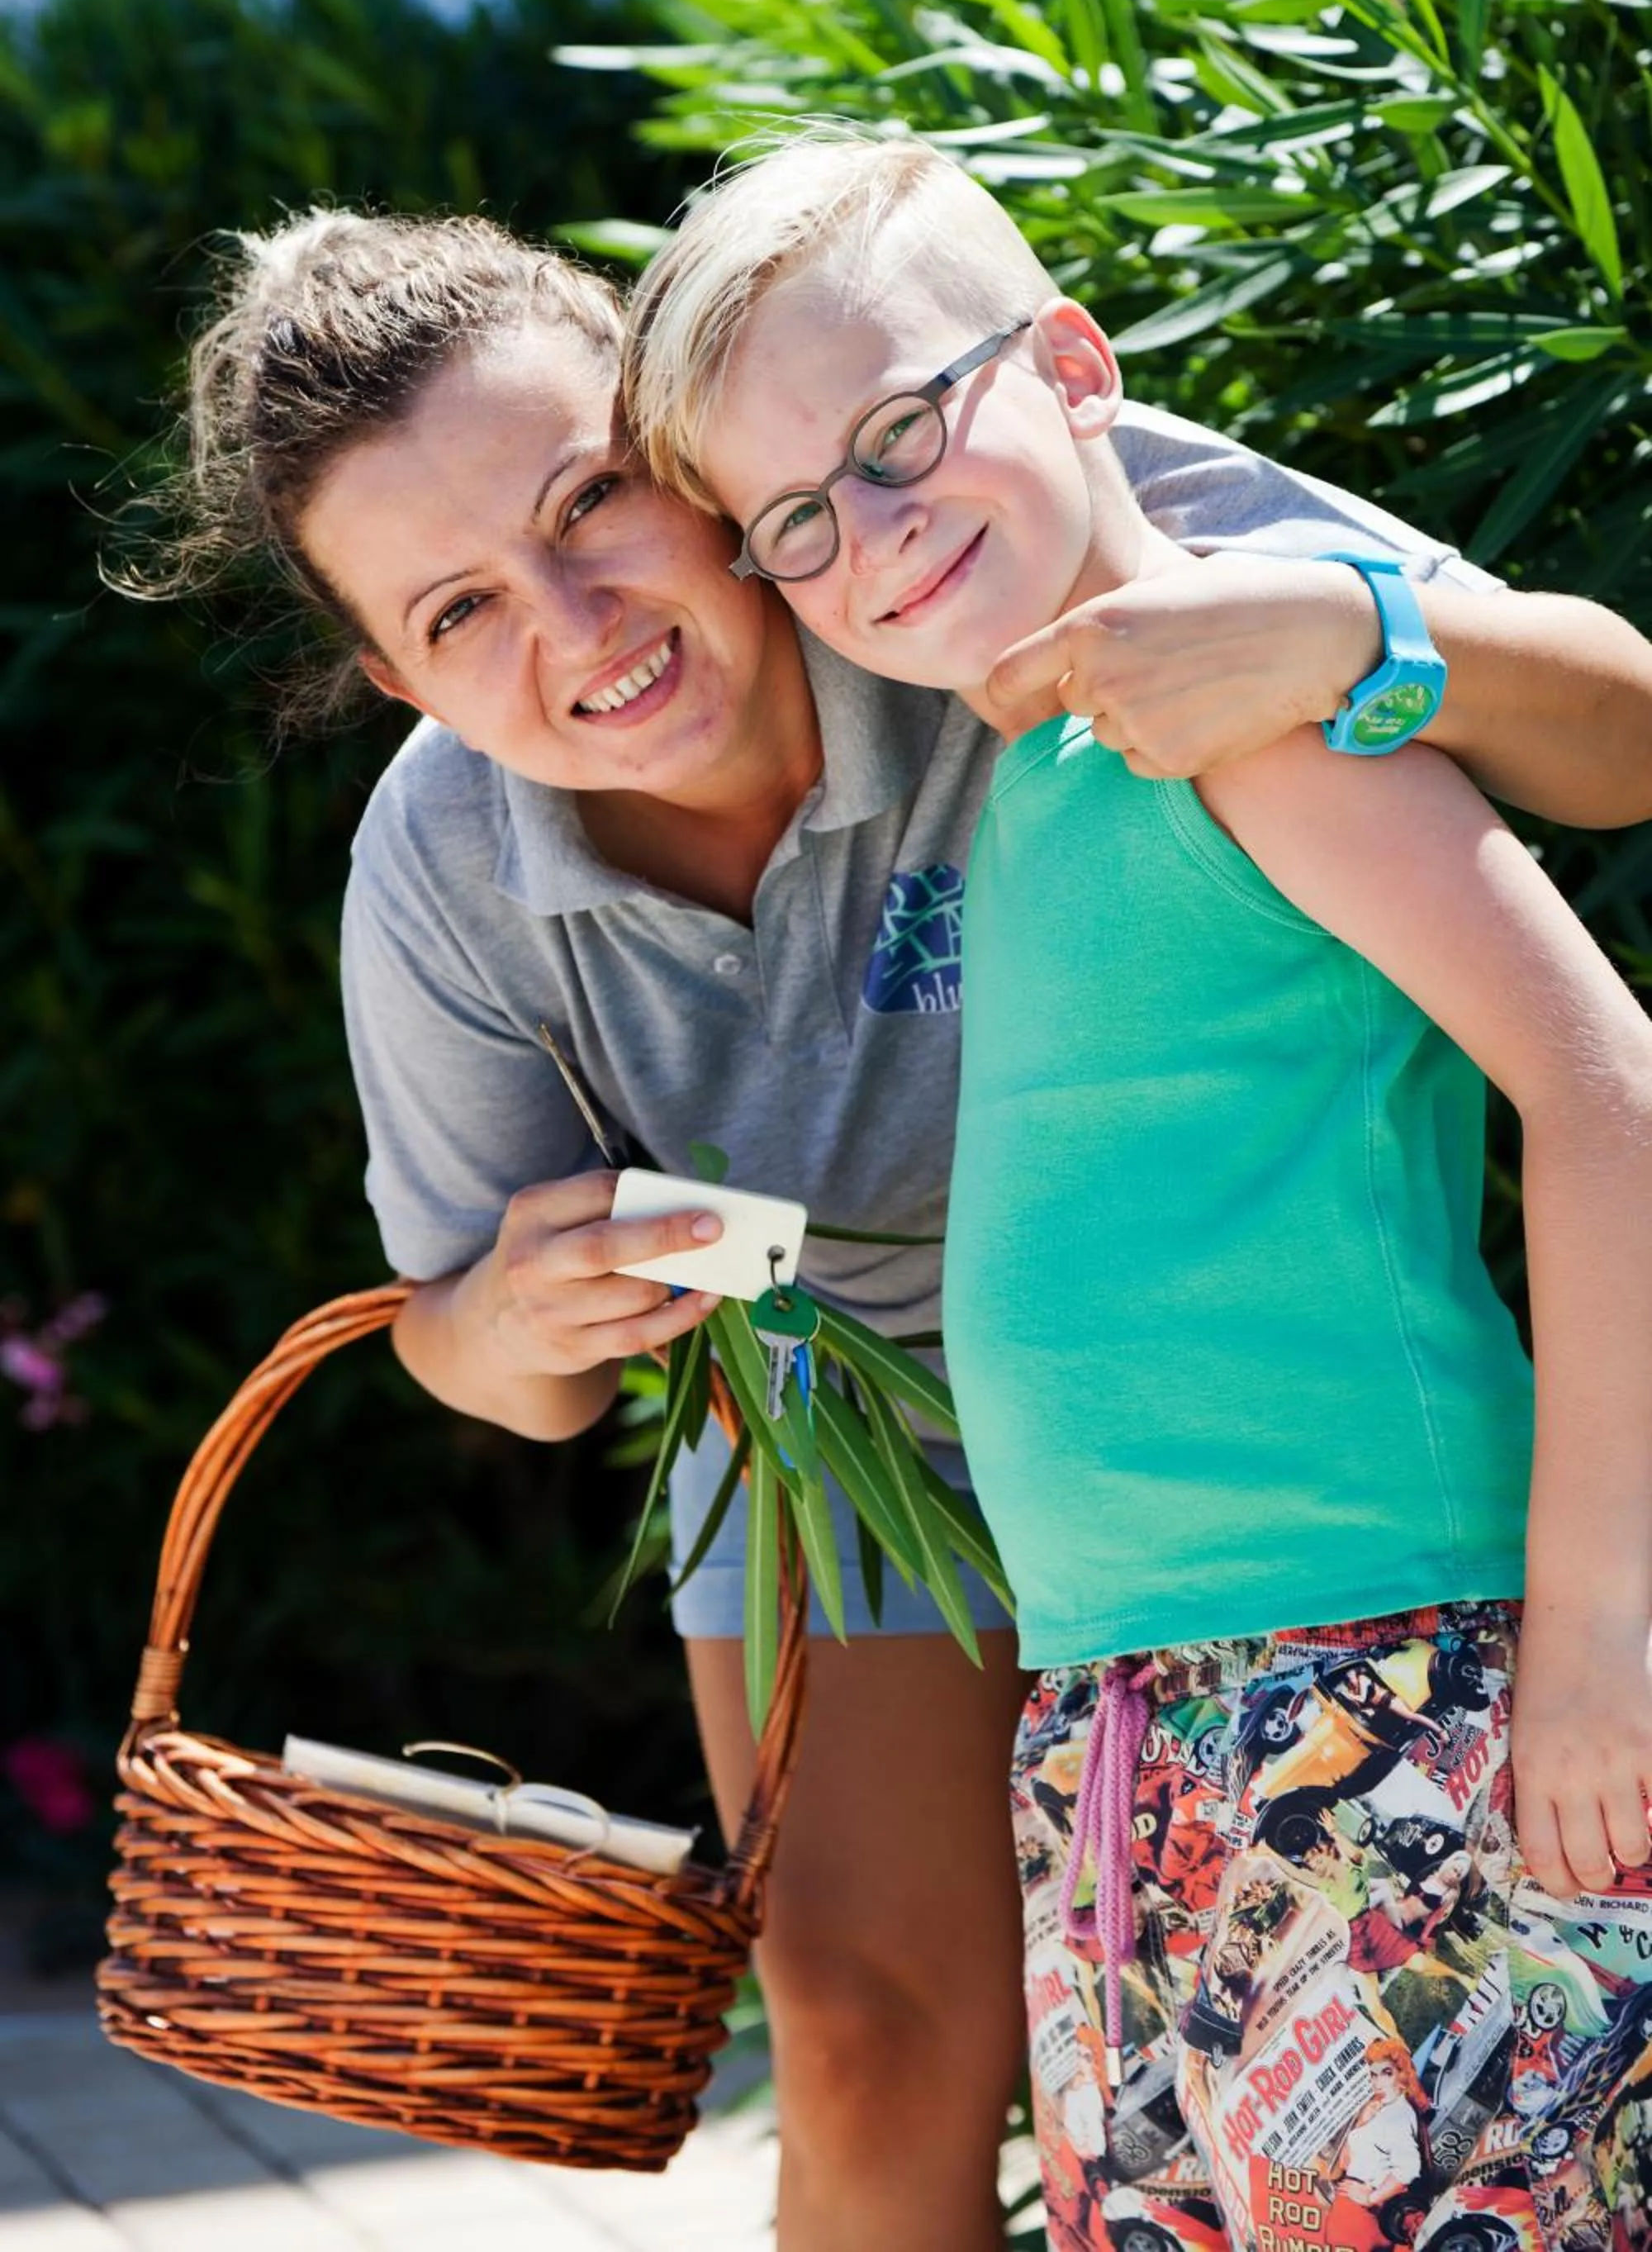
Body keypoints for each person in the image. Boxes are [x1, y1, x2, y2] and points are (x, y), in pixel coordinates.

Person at [153, 204, 1652, 2252]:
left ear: (689, 455)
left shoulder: (949, 500)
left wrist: (1344, 632)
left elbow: (1615, 746)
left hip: (1256, 1400)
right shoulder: (448, 862)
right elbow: (474, 1356)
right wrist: (514, 1314)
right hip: (843, 1421)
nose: (574, 622)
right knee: (876, 2035)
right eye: (458, 612)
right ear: (391, 675)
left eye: (590, 502)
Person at [623, 131, 1652, 2249]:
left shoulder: (1245, 717)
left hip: (1395, 1687)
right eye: (797, 520)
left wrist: (1599, 1634)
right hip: (1130, 1724)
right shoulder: (1037, 774)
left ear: (1074, 366)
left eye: (900, 431)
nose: (872, 531)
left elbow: (1608, 1091)